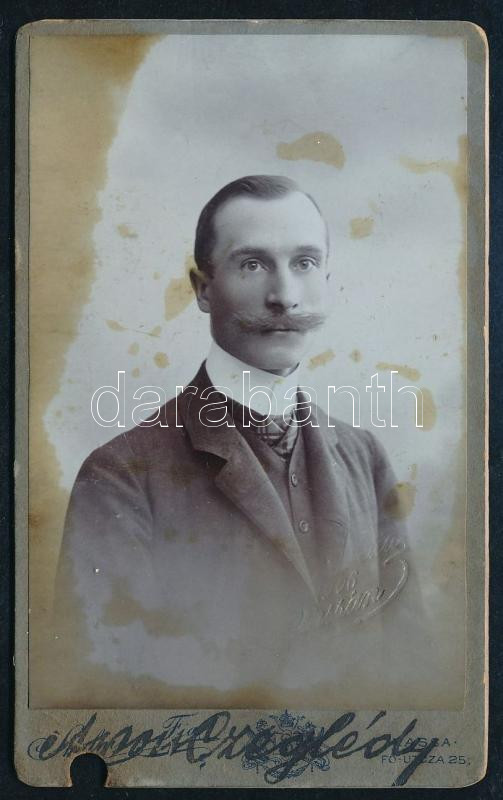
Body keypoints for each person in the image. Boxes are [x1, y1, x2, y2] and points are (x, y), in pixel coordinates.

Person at [54, 176, 420, 708]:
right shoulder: (120, 477)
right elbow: (102, 693)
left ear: (327, 279)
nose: (285, 297)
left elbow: (412, 668)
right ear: (202, 288)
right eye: (252, 264)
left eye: (305, 263)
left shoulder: (365, 458)